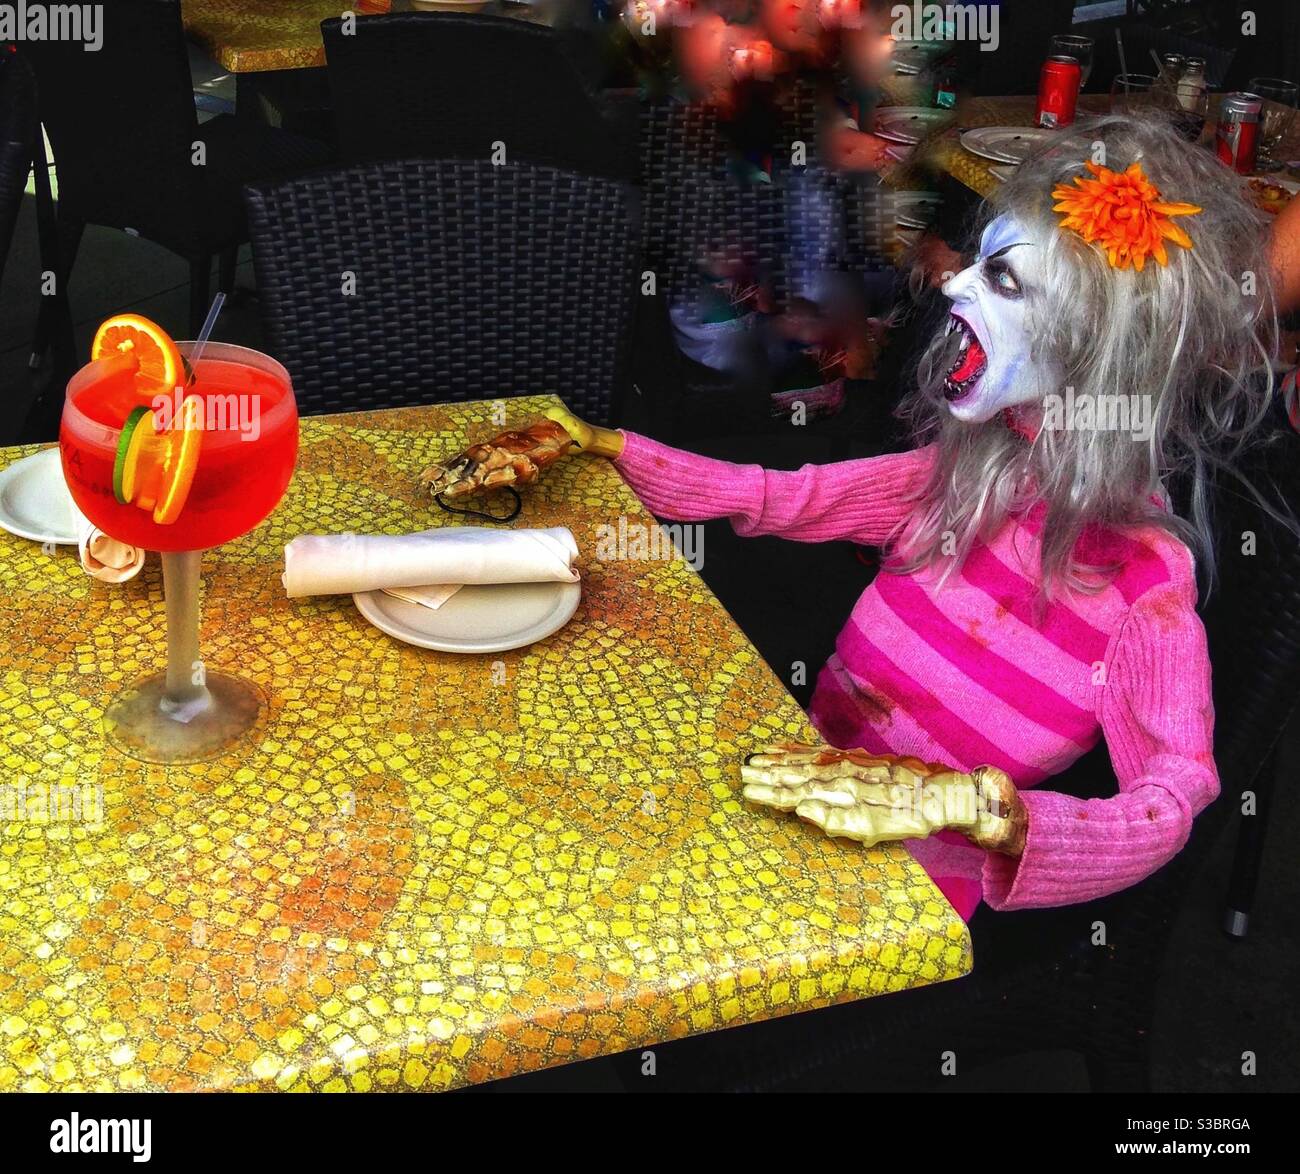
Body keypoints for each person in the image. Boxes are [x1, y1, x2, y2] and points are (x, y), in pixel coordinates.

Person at [436, 113, 1283, 921]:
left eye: (1004, 277)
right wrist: (600, 444)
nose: (951, 281)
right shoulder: (972, 476)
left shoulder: (1141, 585)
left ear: (1100, 347)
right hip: (794, 789)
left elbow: (1172, 802)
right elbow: (778, 496)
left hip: (896, 904)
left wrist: (983, 810)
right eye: (977, 260)